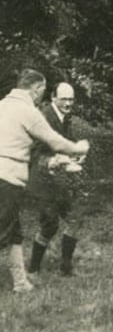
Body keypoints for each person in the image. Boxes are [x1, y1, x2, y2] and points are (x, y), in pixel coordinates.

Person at [0, 69, 89, 292]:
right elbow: (54, 141)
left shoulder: (3, 105)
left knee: (14, 233)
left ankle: (21, 283)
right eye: (41, 90)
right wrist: (78, 148)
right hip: (7, 179)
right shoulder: (28, 110)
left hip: (6, 176)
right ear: (37, 89)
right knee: (3, 232)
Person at [27, 82, 85, 276]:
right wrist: (52, 159)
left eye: (71, 99)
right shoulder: (43, 117)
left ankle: (66, 267)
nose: (68, 103)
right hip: (43, 180)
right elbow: (32, 151)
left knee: (76, 219)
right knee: (50, 225)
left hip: (62, 180)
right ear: (53, 97)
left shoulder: (65, 117)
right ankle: (33, 269)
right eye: (64, 99)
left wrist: (75, 153)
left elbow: (64, 144)